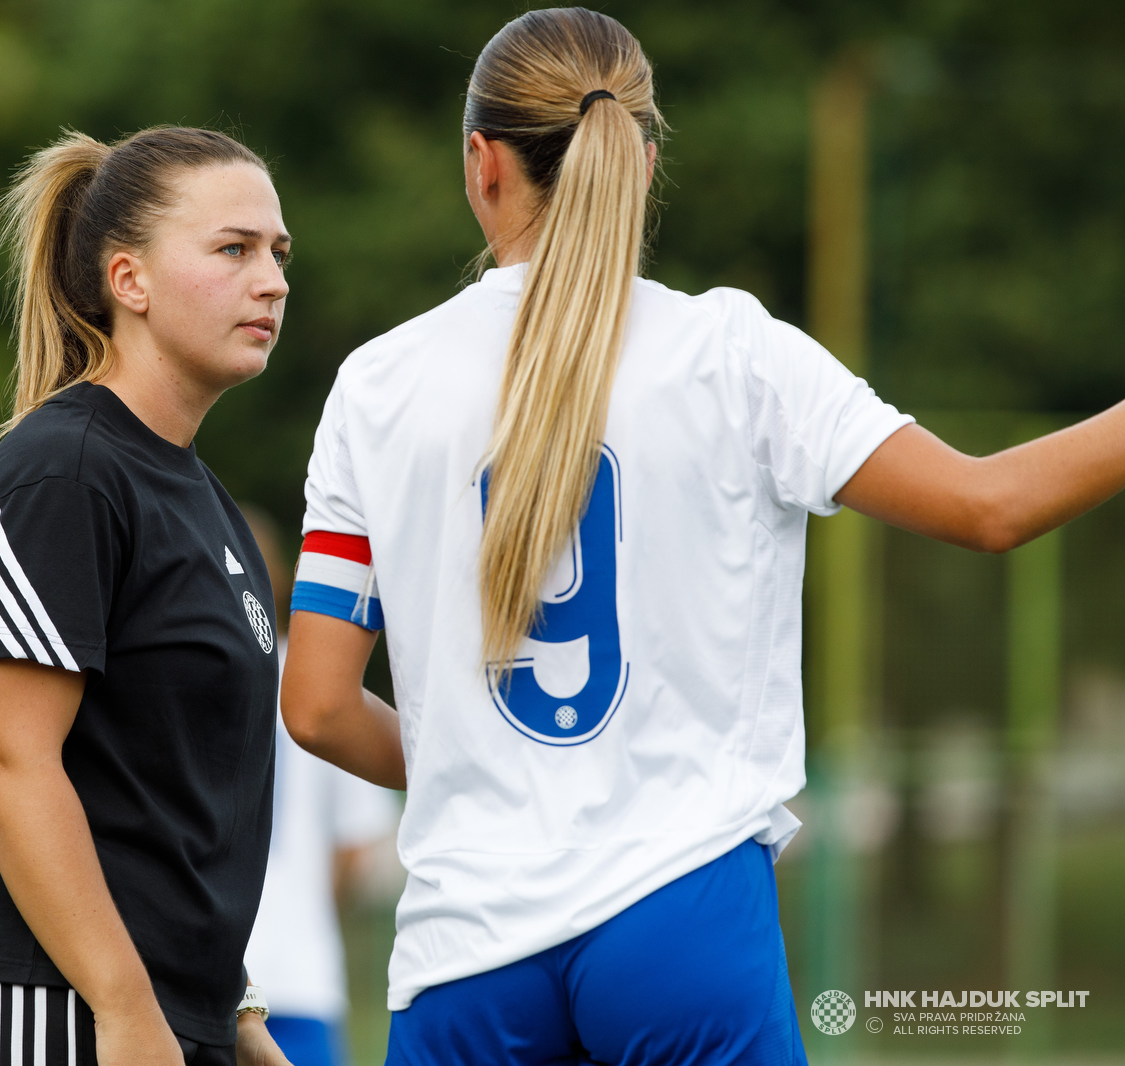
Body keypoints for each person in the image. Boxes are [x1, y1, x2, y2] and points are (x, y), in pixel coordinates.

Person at [280, 9, 1125, 1066]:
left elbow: (314, 705)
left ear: (479, 164)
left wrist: (483, 762)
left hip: (465, 952)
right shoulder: (733, 354)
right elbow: (988, 506)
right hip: (680, 915)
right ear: (642, 159)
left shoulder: (378, 384)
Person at [0, 126, 295, 1066]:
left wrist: (238, 1021)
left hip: (170, 1018)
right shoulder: (64, 474)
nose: (274, 280)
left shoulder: (210, 506)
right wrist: (123, 1008)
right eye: (234, 249)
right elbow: (10, 763)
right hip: (47, 1005)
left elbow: (171, 803)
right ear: (130, 281)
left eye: (280, 253)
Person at [239, 508, 402, 1066]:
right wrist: (307, 901)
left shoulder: (164, 677)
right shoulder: (317, 685)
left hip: (197, 978)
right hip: (301, 969)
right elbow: (358, 842)